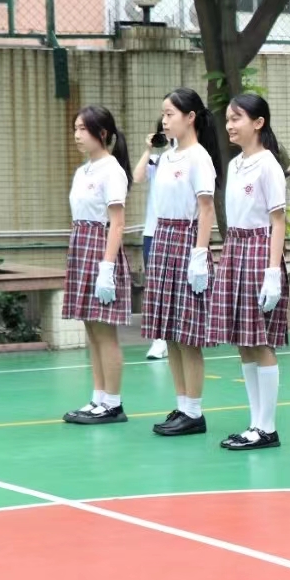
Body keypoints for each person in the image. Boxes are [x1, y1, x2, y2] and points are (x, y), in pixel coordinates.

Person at [209, 94, 289, 450]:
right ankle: (255, 422)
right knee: (243, 341)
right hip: (236, 248)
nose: (230, 125)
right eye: (228, 119)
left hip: (259, 250)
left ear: (258, 123)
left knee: (260, 340)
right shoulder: (236, 164)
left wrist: (273, 271)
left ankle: (267, 427)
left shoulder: (268, 165)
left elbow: (277, 221)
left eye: (236, 118)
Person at [144, 88, 219, 437]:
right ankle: (182, 404)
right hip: (163, 239)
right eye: (163, 113)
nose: (164, 120)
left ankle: (195, 411)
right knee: (170, 331)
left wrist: (199, 255)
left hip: (187, 241)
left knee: (188, 334)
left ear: (190, 117)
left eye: (170, 113)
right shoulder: (167, 157)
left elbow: (206, 208)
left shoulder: (198, 157)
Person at [62, 105, 133, 426]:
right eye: (75, 128)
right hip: (81, 247)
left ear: (102, 133)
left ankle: (113, 404)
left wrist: (107, 267)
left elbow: (117, 222)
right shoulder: (83, 171)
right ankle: (98, 397)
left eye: (83, 129)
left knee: (105, 332)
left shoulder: (112, 170)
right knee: (92, 330)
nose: (77, 135)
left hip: (101, 250)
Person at [135, 118, 169, 361]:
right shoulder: (156, 160)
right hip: (152, 232)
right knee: (155, 285)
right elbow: (137, 177)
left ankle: (174, 334)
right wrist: (148, 149)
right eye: (162, 129)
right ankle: (159, 339)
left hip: (177, 231)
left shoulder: (190, 157)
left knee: (174, 285)